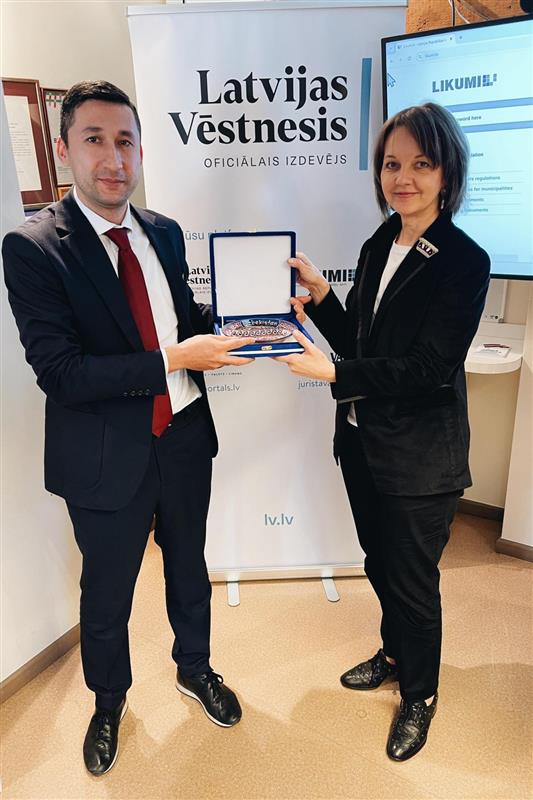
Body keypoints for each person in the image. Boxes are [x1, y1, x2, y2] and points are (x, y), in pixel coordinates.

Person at [2, 81, 256, 776]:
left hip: (184, 435)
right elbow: (62, 373)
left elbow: (184, 321)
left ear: (141, 150)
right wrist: (174, 358)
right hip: (104, 454)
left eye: (126, 142)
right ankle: (109, 702)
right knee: (107, 591)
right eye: (95, 140)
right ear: (64, 149)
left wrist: (252, 316)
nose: (114, 159)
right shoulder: (32, 247)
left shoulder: (163, 232)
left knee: (189, 569)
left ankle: (195, 668)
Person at [274, 103, 490, 761]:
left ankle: (420, 695)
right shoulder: (379, 243)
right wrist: (321, 299)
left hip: (420, 458)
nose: (403, 178)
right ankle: (395, 655)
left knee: (411, 581)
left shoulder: (463, 261)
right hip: (363, 443)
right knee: (378, 562)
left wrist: (332, 374)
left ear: (447, 174)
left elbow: (426, 369)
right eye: (392, 164)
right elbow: (360, 341)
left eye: (421, 164)